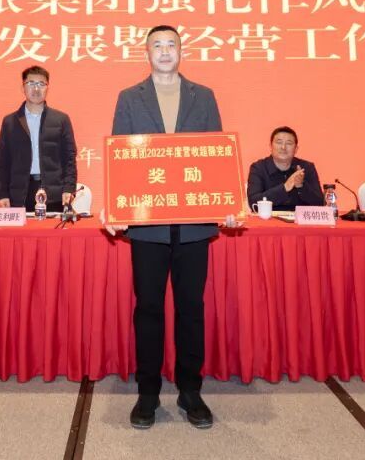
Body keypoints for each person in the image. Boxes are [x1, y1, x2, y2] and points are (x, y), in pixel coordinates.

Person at [108, 25, 236, 431]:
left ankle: (190, 390)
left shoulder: (204, 96)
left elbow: (216, 154)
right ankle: (147, 393)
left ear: (181, 50)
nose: (164, 51)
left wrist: (228, 205)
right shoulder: (130, 97)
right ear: (147, 52)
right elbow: (121, 155)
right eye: (157, 45)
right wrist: (116, 206)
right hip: (148, 226)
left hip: (194, 225)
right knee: (148, 309)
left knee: (191, 309)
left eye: (171, 45)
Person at [0, 65, 77, 213]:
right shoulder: (10, 122)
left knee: (53, 229)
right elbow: (2, 162)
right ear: (23, 87)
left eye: (41, 84)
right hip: (19, 194)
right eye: (31, 83)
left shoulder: (61, 120)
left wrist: (69, 188)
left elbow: (69, 159)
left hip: (54, 194)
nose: (36, 89)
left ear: (47, 88)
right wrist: (2, 194)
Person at [246, 126, 323, 211]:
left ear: (296, 149)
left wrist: (301, 186)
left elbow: (320, 203)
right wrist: (285, 187)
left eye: (289, 143)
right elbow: (253, 203)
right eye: (279, 142)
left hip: (299, 219)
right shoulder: (258, 168)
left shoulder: (306, 168)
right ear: (271, 146)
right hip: (269, 218)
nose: (283, 147)